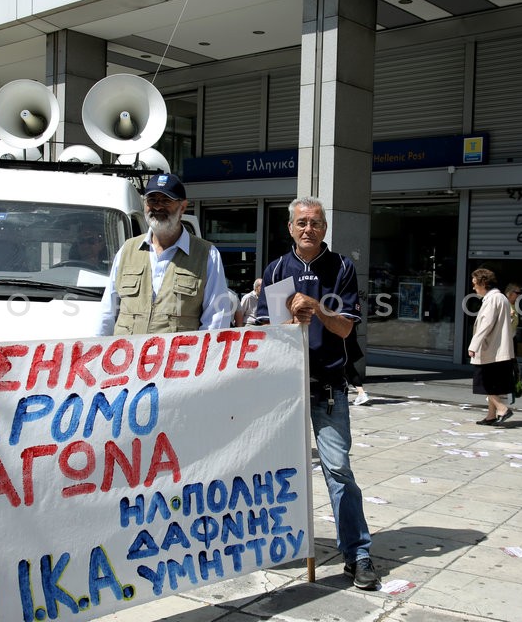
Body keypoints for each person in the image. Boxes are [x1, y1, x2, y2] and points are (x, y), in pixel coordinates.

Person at [256, 196, 380, 591]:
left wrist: (318, 311)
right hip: (284, 391)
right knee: (275, 473)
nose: (309, 228)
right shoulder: (276, 268)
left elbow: (345, 328)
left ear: (325, 228)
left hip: (328, 387)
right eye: (301, 222)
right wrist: (289, 322)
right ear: (290, 228)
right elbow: (262, 333)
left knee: (338, 470)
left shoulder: (342, 267)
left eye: (316, 222)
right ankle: (277, 544)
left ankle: (357, 553)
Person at [97, 173, 230, 335]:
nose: (158, 207)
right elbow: (107, 313)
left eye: (166, 201)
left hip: (178, 360)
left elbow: (216, 321)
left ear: (182, 207)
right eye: (152, 200)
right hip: (127, 359)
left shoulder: (207, 255)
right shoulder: (127, 250)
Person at [468, 268, 515, 426]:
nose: (473, 287)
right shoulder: (501, 298)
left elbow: (486, 325)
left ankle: (502, 409)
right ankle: (491, 416)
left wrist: (474, 345)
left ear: (483, 283)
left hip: (490, 348)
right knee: (493, 383)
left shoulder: (492, 299)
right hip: (499, 349)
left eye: (475, 284)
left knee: (485, 382)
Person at [345, 330, 369, 406]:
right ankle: (361, 393)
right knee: (349, 368)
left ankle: (361, 393)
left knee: (348, 368)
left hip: (343, 342)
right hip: (347, 340)